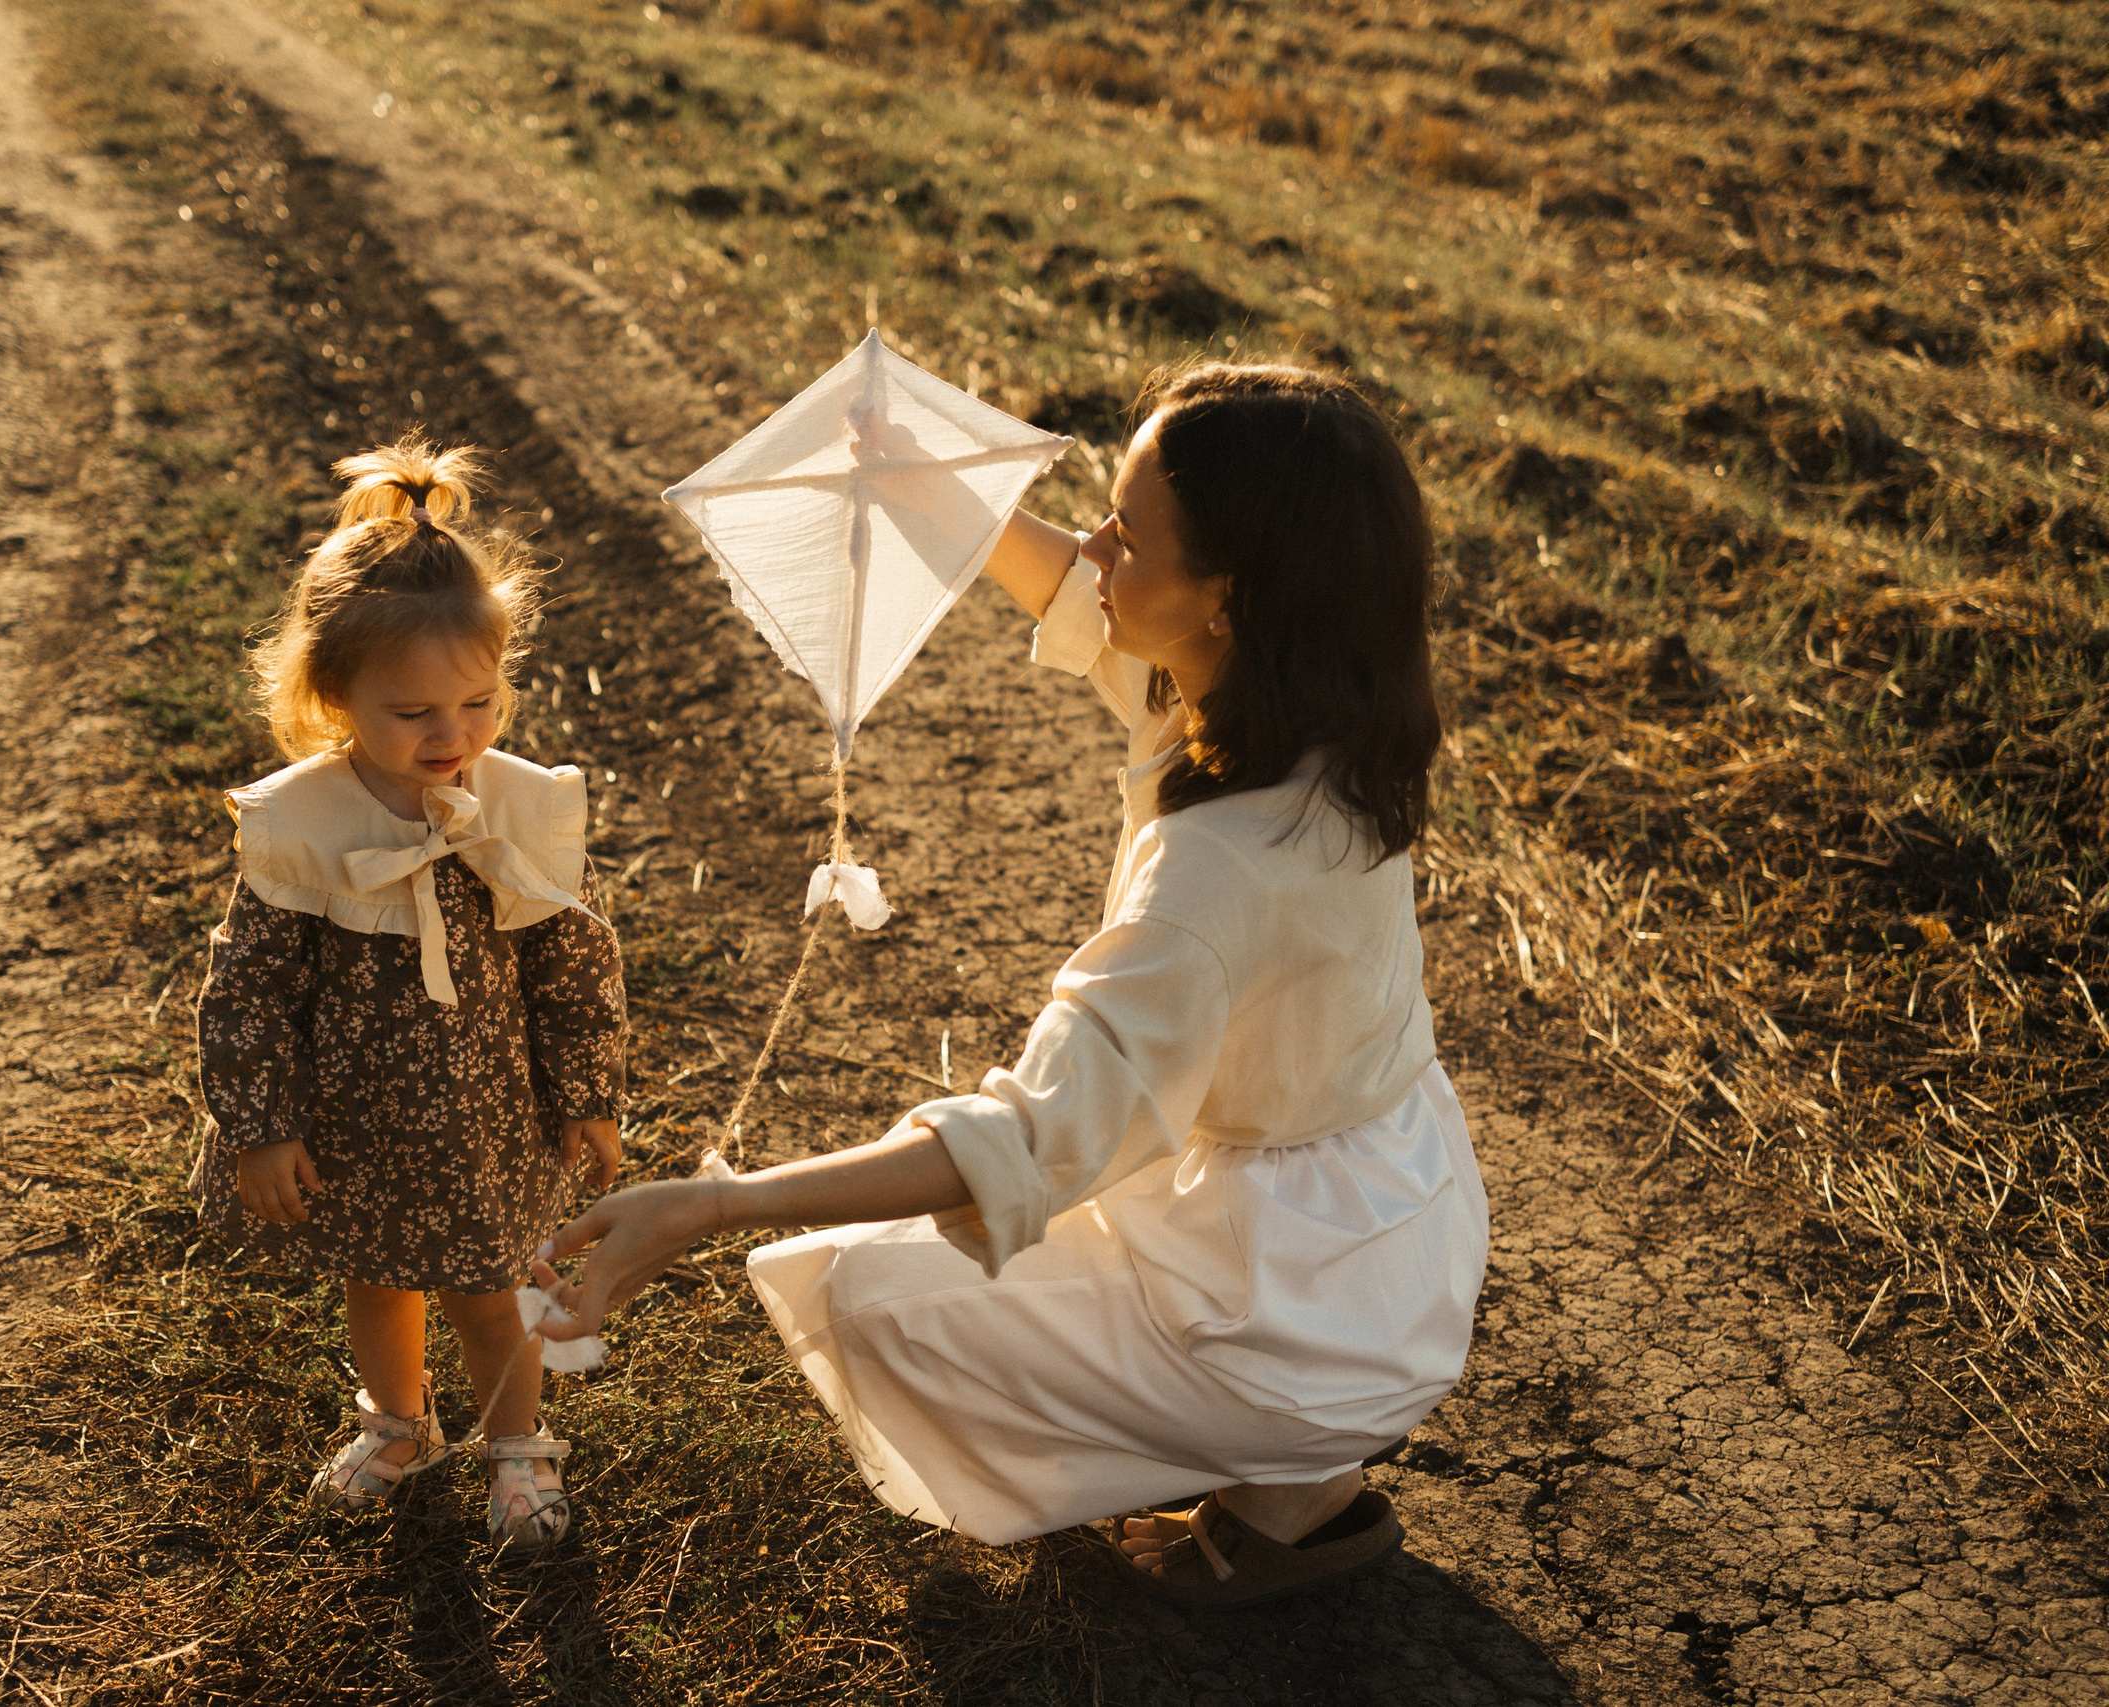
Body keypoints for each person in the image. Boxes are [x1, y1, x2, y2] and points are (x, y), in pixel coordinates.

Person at [533, 364, 1488, 1606]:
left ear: (1228, 596)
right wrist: (924, 479)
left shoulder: (1218, 873)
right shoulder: (1312, 709)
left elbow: (1023, 1138)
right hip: (1387, 1221)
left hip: (1298, 1300)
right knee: (948, 1249)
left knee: (863, 1296)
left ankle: (1289, 1469)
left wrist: (714, 1205)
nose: (1094, 543)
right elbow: (1072, 589)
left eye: (1126, 533)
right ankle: (1295, 1446)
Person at [195, 435, 626, 1553]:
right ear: (334, 694)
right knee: (378, 1280)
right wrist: (263, 1125)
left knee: (490, 1293)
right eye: (414, 713)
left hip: (484, 1119)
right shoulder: (304, 824)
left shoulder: (517, 811)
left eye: (478, 702)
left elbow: (572, 967)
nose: (453, 735)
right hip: (358, 1120)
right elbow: (249, 988)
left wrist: (586, 1096)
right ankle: (399, 1421)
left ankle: (515, 1446)